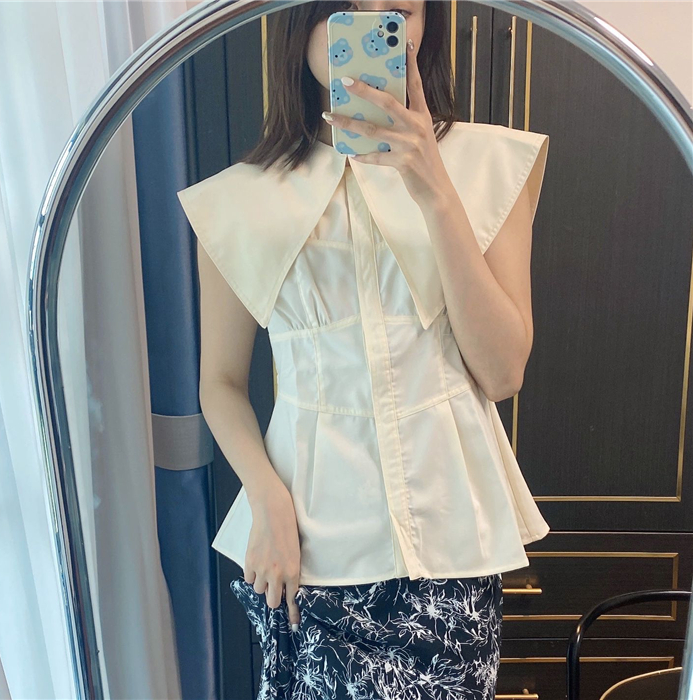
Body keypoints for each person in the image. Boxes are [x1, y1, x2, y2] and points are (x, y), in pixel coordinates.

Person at [177, 1, 551, 697]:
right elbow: (220, 383)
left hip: (449, 547)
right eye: (348, 9)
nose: (375, 26)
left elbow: (502, 372)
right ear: (301, 21)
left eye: (398, 12)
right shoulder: (238, 201)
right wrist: (266, 500)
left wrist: (434, 189)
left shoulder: (488, 167)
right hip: (305, 547)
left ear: (425, 27)